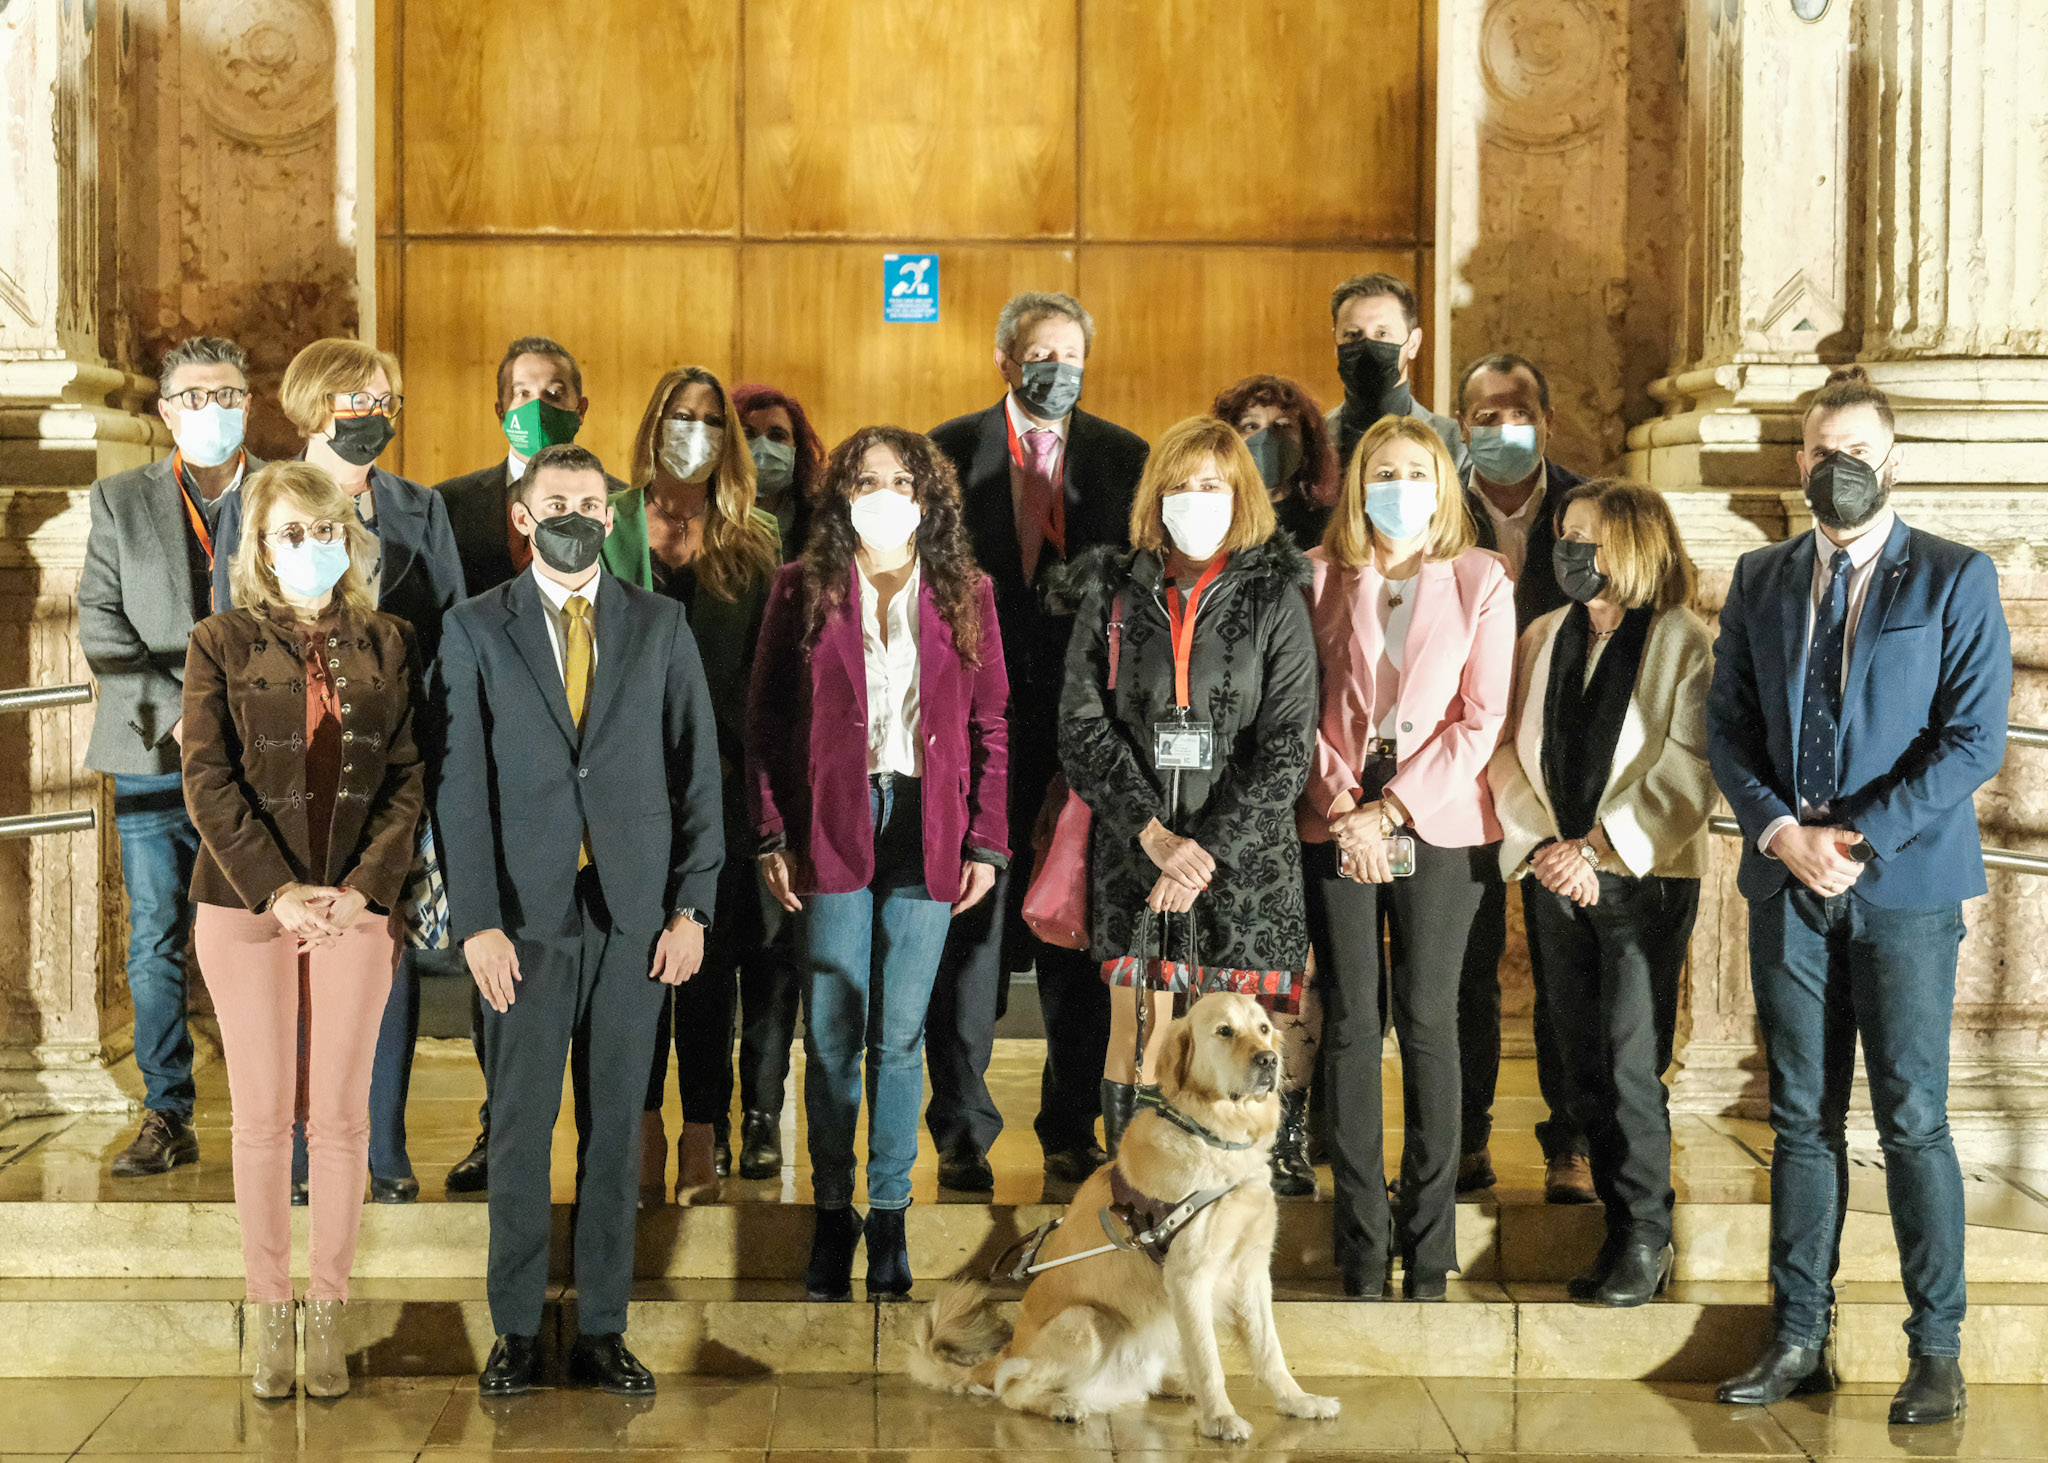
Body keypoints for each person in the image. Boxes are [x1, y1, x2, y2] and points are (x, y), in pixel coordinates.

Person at [1708, 368, 2010, 1426]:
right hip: (1785, 876)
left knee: (1913, 1117)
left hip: (1903, 883)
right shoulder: (1758, 577)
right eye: (1817, 448)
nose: (1834, 466)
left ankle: (1934, 1349)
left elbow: (1972, 736)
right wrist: (1782, 832)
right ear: (1797, 461)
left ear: (1888, 460)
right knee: (1799, 1117)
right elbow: (1726, 726)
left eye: (1854, 449)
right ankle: (1798, 1333)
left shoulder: (1951, 577)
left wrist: (1860, 833)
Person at [434, 443, 723, 1397]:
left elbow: (698, 775)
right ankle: (516, 1327)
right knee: (521, 1126)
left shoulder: (661, 623)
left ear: (612, 516)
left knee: (615, 1130)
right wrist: (475, 919)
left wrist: (693, 904)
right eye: (555, 501)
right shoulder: (475, 627)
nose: (575, 515)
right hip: (522, 917)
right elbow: (458, 786)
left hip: (636, 915)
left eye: (591, 503)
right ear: (523, 517)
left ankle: (602, 1326)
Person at [747, 425, 1008, 1301]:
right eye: (867, 479)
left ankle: (889, 1215)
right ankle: (832, 1213)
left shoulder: (966, 590)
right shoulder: (802, 587)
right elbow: (767, 723)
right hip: (833, 822)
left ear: (928, 496)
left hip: (927, 827)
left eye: (901, 480)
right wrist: (772, 831)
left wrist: (986, 840)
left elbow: (992, 726)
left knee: (899, 1036)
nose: (884, 493)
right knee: (830, 1036)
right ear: (841, 493)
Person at [181, 460, 424, 1398]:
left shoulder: (389, 639)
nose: (313, 549)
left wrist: (364, 888)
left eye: (328, 533)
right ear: (261, 546)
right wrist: (278, 890)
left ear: (350, 542)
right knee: (262, 1118)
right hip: (246, 908)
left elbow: (409, 775)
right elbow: (206, 779)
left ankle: (328, 1312)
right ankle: (268, 1313)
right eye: (293, 533)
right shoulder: (220, 640)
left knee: (339, 1116)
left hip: (356, 908)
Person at [211, 338, 465, 1206]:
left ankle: (377, 1147)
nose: (378, 414)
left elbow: (447, 634)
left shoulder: (418, 506)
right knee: (288, 962)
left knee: (374, 956)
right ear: (318, 403)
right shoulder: (260, 498)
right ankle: (293, 1154)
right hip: (282, 762)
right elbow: (231, 629)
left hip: (386, 763)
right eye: (361, 399)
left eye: (388, 399)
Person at [926, 290, 1149, 1191]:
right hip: (975, 732)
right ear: (1004, 357)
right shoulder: (943, 452)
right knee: (969, 936)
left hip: (1082, 732)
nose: (1056, 368)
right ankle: (961, 1130)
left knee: (1071, 939)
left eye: (1071, 354)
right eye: (1038, 353)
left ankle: (1067, 1126)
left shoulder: (1124, 459)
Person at [1057, 415, 1317, 1170]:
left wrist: (1204, 849)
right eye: (1178, 485)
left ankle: (1239, 1184)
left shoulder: (1275, 597)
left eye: (1210, 486)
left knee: (1246, 1029)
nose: (1193, 499)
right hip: (1136, 849)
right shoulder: (1110, 587)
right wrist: (1154, 835)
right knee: (1138, 1026)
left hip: (1242, 862)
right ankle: (1138, 1186)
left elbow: (1287, 745)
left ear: (1240, 496)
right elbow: (1081, 723)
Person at [1488, 478, 1716, 1306]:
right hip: (1555, 873)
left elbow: (1691, 764)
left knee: (1629, 1061)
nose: (1569, 552)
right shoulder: (1546, 632)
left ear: (1633, 544)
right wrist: (1547, 845)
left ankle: (1645, 1231)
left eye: (1587, 538)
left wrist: (1603, 848)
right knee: (1576, 1054)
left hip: (1641, 881)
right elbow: (1509, 750)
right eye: (1565, 536)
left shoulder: (1683, 640)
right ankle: (1619, 1227)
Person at [1301, 413, 1513, 1301]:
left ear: (1444, 484)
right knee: (1351, 1024)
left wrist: (1392, 806)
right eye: (1382, 471)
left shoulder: (1480, 578)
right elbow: (1294, 704)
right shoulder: (1316, 575)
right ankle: (1360, 1238)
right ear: (1357, 484)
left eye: (1416, 471)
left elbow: (1481, 716)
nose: (1399, 486)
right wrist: (1345, 805)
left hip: (1438, 823)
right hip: (1335, 816)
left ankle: (1428, 1243)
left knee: (1429, 1022)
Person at [431, 335, 623, 1197]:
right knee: (498, 978)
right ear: (498, 401)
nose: (537, 399)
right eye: (521, 389)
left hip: (596, 799)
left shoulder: (612, 503)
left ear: (580, 404)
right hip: (499, 782)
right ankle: (495, 1122)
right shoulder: (454, 504)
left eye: (554, 389)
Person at [80, 335, 265, 1179]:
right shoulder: (120, 500)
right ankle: (167, 1111)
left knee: (263, 929)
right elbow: (102, 622)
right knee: (156, 936)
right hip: (154, 748)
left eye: (226, 394)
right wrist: (189, 715)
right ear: (164, 411)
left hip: (263, 757)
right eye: (193, 397)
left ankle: (273, 1108)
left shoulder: (282, 493)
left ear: (249, 403)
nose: (211, 411)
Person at [606, 365, 781, 1192]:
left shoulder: (756, 539)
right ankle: (639, 1127)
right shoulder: (611, 525)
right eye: (682, 415)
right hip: (622, 781)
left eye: (714, 420)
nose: (697, 432)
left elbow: (767, 675)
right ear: (654, 422)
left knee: (708, 968)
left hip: (721, 784)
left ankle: (702, 1136)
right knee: (635, 965)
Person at [1451, 351, 1593, 1202]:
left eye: (1518, 408)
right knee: (1461, 967)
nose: (1501, 425)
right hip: (1457, 774)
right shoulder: (1435, 500)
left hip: (1556, 777)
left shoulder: (1588, 507)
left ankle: (1568, 1141)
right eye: (1483, 411)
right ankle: (1465, 1138)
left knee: (1563, 967)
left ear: (1547, 419)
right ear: (1459, 422)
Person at [436, 335, 629, 597]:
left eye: (554, 394)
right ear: (501, 412)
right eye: (522, 393)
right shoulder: (448, 504)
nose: (538, 407)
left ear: (580, 410)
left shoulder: (621, 504)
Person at [1323, 273, 1468, 475]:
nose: (1367, 346)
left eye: (1382, 334)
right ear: (1335, 342)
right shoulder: (1311, 443)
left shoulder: (1455, 444)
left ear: (1413, 343)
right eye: (1353, 334)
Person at [1212, 373, 1340, 552]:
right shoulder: (1212, 519)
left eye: (1282, 425)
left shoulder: (1329, 524)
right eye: (1251, 426)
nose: (1266, 438)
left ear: (1305, 441)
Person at [735, 381, 826, 559]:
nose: (763, 447)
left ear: (796, 449)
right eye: (749, 434)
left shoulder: (820, 522)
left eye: (777, 436)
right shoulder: (707, 516)